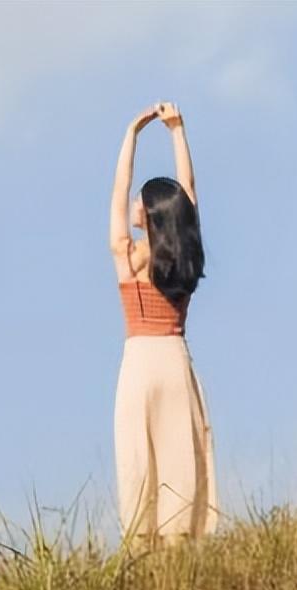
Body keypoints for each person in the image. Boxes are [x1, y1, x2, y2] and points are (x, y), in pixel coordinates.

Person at [108, 101, 218, 551]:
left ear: (150, 213)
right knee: (180, 458)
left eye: (143, 200)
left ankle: (140, 546)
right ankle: (180, 546)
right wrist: (177, 133)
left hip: (139, 363)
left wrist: (131, 135)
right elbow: (188, 196)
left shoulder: (128, 256)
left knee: (138, 460)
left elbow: (117, 192)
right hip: (175, 361)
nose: (135, 203)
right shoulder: (185, 258)